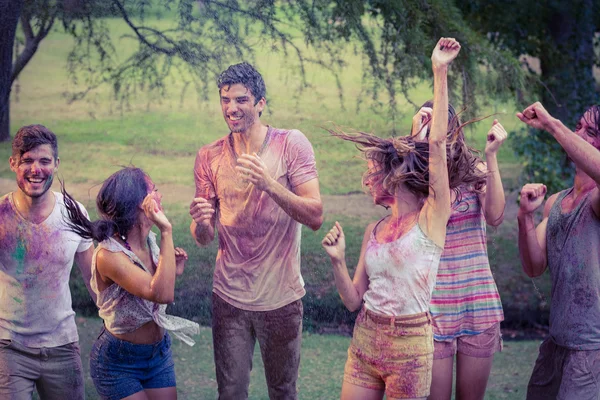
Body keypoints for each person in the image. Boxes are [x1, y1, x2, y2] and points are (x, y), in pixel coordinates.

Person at [321, 37, 461, 400]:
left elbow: (437, 149)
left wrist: (439, 71)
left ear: (391, 175)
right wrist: (337, 261)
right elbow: (353, 301)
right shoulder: (375, 229)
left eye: (371, 173)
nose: (366, 181)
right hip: (366, 337)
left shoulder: (432, 216)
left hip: (411, 347)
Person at [189, 62, 323, 399]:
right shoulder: (210, 156)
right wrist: (202, 221)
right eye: (225, 100)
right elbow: (203, 238)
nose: (231, 108)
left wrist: (269, 185)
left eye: (241, 100)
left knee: (282, 391)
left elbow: (315, 215)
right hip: (229, 297)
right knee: (231, 392)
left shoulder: (291, 144)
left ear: (261, 103)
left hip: (281, 297)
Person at [62, 166, 199, 400]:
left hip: (158, 354)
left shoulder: (150, 241)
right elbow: (161, 293)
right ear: (140, 203)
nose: (160, 195)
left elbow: (152, 291)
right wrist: (167, 230)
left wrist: (170, 270)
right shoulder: (109, 256)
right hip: (119, 363)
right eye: (154, 190)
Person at [411, 102, 507, 400]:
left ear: (454, 128)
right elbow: (411, 222)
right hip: (432, 307)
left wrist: (491, 157)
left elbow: (495, 216)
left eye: (441, 123)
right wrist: (417, 145)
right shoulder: (413, 175)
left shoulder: (472, 169)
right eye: (429, 122)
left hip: (475, 300)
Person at [0, 124, 94, 399]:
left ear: (56, 164)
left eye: (44, 161)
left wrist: (117, 322)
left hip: (62, 346)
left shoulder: (74, 213)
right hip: (10, 346)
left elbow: (92, 279)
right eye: (27, 160)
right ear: (13, 163)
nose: (35, 169)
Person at [516, 102, 600, 400]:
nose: (577, 133)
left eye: (589, 131)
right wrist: (525, 216)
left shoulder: (597, 201)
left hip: (591, 349)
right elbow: (534, 266)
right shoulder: (555, 203)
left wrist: (552, 124)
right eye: (577, 126)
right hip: (555, 344)